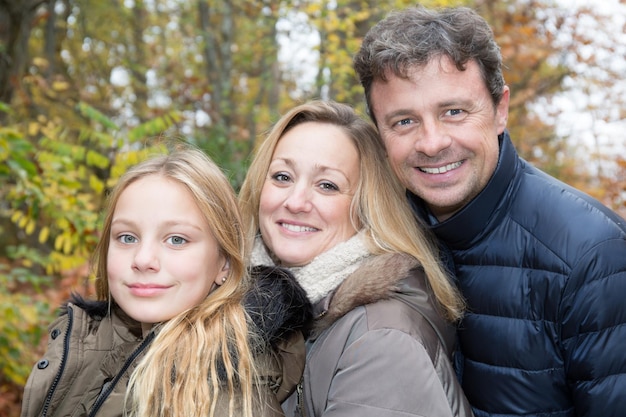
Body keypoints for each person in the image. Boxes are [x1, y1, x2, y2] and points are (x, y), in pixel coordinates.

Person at [353, 6, 626, 417]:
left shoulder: (593, 255)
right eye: (405, 121)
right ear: (379, 134)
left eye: (454, 112)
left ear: (500, 110)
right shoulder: (371, 238)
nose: (431, 142)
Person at [20, 147, 311, 417]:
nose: (143, 259)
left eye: (176, 239)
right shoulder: (86, 343)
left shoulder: (228, 397)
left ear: (223, 262)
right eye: (127, 237)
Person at [239, 100, 473, 417]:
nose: (296, 202)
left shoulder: (382, 339)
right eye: (282, 177)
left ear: (366, 209)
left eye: (327, 185)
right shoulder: (243, 304)